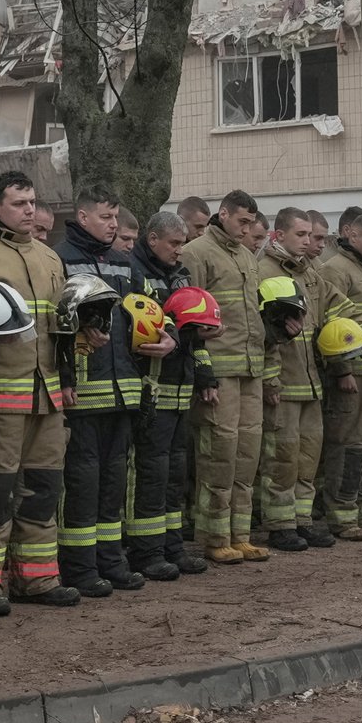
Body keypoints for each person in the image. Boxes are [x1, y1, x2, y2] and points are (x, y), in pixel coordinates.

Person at [0, 173, 83, 611]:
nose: (30, 210)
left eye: (32, 202)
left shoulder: (49, 257)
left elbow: (62, 327)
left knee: (43, 489)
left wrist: (67, 381)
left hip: (47, 396)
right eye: (19, 203)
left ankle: (37, 579)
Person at [54, 185, 175, 592]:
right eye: (105, 217)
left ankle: (110, 561)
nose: (112, 224)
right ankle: (80, 568)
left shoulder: (123, 263)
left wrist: (169, 333)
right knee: (84, 481)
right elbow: (56, 323)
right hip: (84, 392)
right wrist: (67, 375)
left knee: (114, 481)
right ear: (83, 216)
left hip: (124, 390)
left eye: (115, 217)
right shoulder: (62, 259)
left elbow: (154, 303)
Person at [257, 208, 353, 550]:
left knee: (308, 457)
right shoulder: (262, 271)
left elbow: (340, 308)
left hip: (311, 382)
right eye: (301, 235)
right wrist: (270, 382)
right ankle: (280, 524)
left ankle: (301, 519)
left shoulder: (311, 274)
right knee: (282, 457)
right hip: (283, 384)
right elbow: (261, 333)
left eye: (310, 236)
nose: (309, 242)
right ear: (278, 235)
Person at [179, 191, 266, 564]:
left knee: (247, 455)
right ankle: (215, 536)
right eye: (242, 222)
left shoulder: (247, 255)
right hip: (220, 369)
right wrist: (203, 372)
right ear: (224, 214)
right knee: (220, 453)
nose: (247, 229)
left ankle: (240, 534)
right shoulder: (196, 253)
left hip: (250, 368)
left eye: (251, 223)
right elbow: (188, 317)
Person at [128, 211, 212, 578]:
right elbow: (137, 328)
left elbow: (189, 332)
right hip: (152, 390)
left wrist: (205, 372)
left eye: (182, 243)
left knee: (175, 472)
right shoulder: (134, 274)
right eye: (174, 243)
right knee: (151, 472)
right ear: (152, 240)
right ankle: (146, 553)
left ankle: (172, 547)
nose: (180, 250)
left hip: (181, 389)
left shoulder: (180, 276)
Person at [317, 211, 362, 540]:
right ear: (350, 233)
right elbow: (331, 324)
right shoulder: (335, 269)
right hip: (353, 375)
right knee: (349, 447)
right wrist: (342, 369)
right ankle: (343, 515)